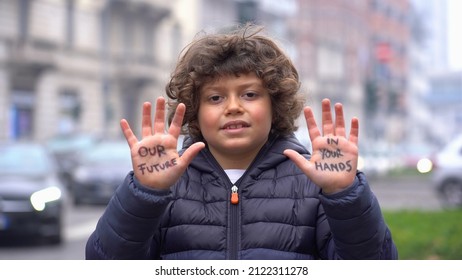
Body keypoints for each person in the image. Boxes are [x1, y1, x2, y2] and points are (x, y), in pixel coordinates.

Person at [86, 24, 398, 260]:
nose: (233, 107)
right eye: (215, 97)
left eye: (249, 94)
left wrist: (344, 195)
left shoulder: (314, 184)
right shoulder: (165, 186)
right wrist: (145, 193)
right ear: (195, 110)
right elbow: (105, 263)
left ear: (274, 104)